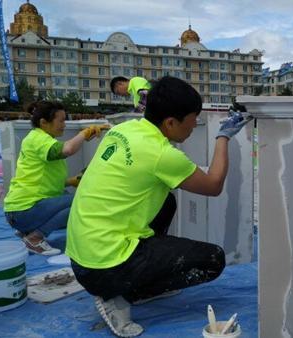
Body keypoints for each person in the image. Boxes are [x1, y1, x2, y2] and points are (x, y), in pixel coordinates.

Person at [66, 76, 251, 337]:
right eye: (191, 120)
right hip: (103, 266)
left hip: (81, 254)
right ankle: (121, 294)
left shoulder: (125, 130)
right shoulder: (162, 154)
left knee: (167, 201)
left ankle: (137, 278)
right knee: (212, 260)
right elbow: (213, 185)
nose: (193, 125)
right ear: (170, 122)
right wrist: (223, 137)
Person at [3, 101, 107, 255]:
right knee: (82, 201)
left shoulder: (41, 139)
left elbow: (41, 179)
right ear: (44, 123)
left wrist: (70, 181)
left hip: (19, 212)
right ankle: (35, 238)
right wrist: (83, 134)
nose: (64, 125)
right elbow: (68, 149)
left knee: (66, 197)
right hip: (22, 212)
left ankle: (28, 231)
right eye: (61, 121)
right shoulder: (37, 139)